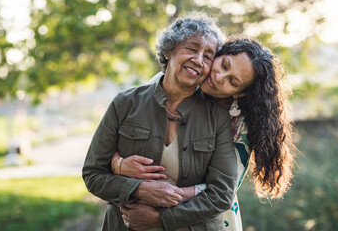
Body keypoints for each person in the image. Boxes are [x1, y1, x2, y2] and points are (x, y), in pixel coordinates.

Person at [113, 37, 296, 231]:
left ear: (239, 93)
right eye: (223, 65)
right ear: (218, 53)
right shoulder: (169, 83)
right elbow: (115, 140)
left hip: (201, 219)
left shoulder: (239, 127)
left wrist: (161, 205)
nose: (219, 77)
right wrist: (120, 165)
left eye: (232, 81)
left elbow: (222, 190)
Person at [82, 12, 240, 231]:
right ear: (169, 49)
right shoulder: (125, 103)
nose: (198, 60)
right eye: (192, 49)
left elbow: (222, 194)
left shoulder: (217, 118)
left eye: (208, 56)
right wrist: (139, 189)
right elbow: (93, 174)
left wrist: (162, 220)